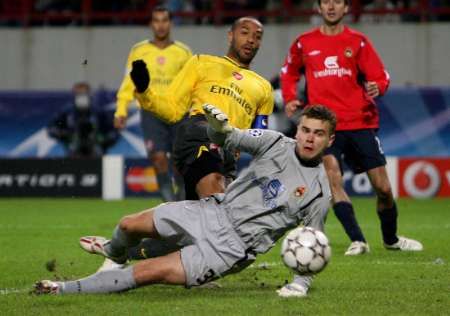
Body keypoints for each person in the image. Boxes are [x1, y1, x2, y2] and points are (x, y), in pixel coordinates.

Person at [34, 103, 335, 296]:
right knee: (128, 225)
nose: (309, 138)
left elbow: (313, 242)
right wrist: (220, 129)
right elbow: (229, 139)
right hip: (212, 211)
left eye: (318, 134)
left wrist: (299, 284)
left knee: (149, 272)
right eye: (306, 130)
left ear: (329, 140)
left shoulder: (319, 192)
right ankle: (114, 250)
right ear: (297, 129)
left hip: (231, 249)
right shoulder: (274, 142)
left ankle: (60, 289)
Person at [280, 0, 423, 258]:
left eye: (337, 1)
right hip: (325, 125)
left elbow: (381, 75)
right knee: (333, 179)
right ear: (319, 7)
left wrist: (377, 87)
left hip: (360, 120)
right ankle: (357, 240)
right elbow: (289, 73)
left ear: (346, 8)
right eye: (326, 1)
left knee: (382, 188)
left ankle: (391, 239)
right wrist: (289, 97)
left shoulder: (357, 41)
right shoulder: (304, 42)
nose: (331, 6)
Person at [130, 16, 274, 200]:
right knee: (216, 198)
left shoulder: (264, 88)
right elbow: (172, 110)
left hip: (228, 151)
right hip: (199, 133)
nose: (251, 39)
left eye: (258, 36)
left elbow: (259, 138)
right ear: (230, 35)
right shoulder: (201, 63)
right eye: (244, 32)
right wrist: (144, 91)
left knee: (207, 213)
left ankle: (135, 226)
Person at [114, 5, 192, 203]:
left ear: (170, 24)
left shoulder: (183, 52)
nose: (160, 25)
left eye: (164, 20)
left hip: (178, 112)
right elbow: (128, 82)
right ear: (151, 24)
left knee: (179, 162)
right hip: (150, 112)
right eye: (156, 21)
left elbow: (193, 84)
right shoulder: (139, 50)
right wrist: (121, 110)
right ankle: (171, 206)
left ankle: (181, 202)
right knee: (158, 159)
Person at [47, 82, 118, 158]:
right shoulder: (66, 112)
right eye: (79, 94)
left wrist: (102, 139)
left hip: (96, 150)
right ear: (74, 95)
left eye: (84, 94)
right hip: (73, 149)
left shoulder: (98, 112)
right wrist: (64, 135)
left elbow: (113, 131)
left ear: (89, 94)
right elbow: (52, 128)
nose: (82, 97)